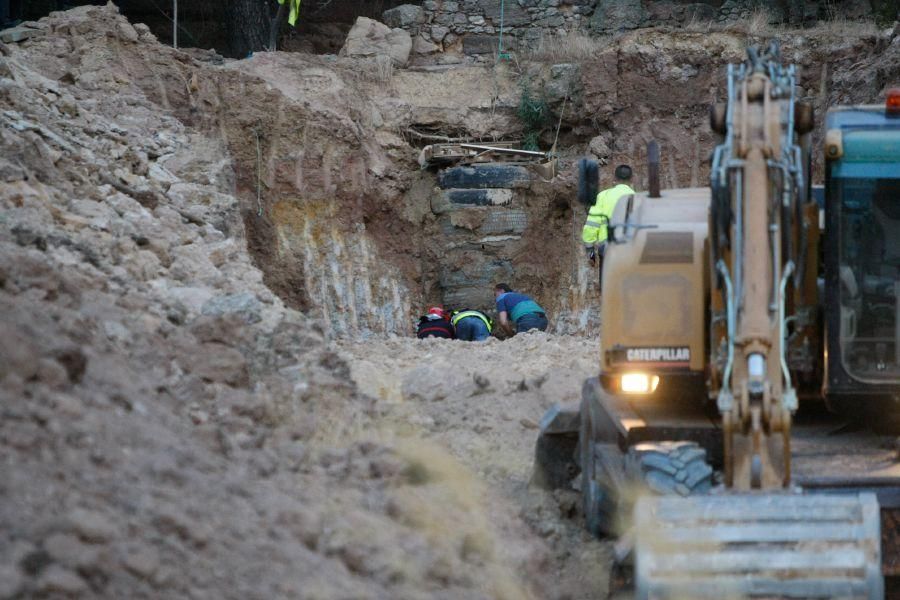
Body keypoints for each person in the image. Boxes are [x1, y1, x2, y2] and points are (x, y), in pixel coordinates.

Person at [582, 164, 635, 290]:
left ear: (614, 179)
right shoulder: (637, 198)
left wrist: (590, 253)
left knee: (607, 289)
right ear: (631, 180)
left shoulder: (603, 196)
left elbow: (591, 225)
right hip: (630, 249)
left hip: (607, 248)